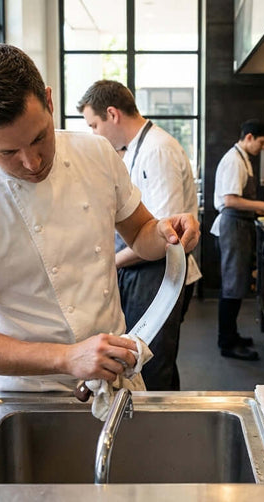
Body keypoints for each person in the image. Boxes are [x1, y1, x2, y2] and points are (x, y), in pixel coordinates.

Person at [0, 44, 199, 393]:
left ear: (49, 101)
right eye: (7, 152)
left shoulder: (97, 153)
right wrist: (67, 357)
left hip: (114, 379)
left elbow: (141, 232)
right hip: (25, 394)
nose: (32, 162)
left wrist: (165, 232)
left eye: (39, 137)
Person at [76, 79, 200, 390]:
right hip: (142, 270)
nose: (94, 134)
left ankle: (159, 420)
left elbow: (167, 236)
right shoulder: (133, 150)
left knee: (152, 365)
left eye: (94, 125)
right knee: (149, 361)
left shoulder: (158, 150)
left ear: (112, 114)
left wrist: (111, 263)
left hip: (159, 273)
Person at [211, 119, 264, 361]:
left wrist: (258, 209)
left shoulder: (242, 158)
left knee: (237, 284)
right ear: (249, 137)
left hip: (239, 226)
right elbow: (230, 200)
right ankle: (227, 342)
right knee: (232, 286)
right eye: (261, 142)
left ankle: (232, 335)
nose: (263, 147)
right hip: (232, 227)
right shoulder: (234, 160)